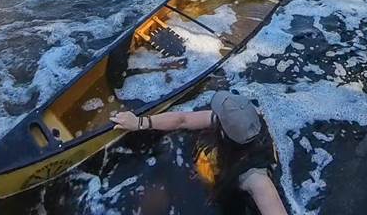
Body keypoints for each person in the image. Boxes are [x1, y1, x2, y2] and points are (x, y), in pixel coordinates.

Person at [111, 91, 287, 215]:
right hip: (215, 171)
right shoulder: (247, 121)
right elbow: (183, 120)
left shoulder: (257, 181)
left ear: (224, 132)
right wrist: (140, 122)